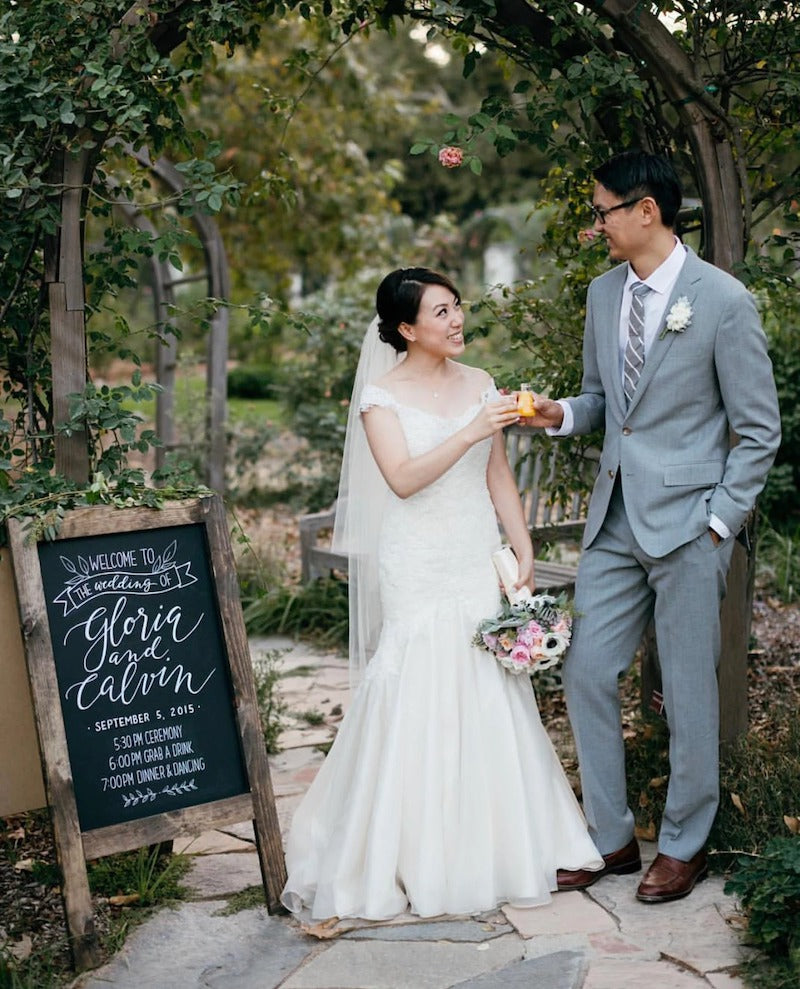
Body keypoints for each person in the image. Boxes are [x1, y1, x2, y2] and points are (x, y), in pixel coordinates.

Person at [280, 266, 603, 922]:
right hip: (419, 560)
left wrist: (524, 546)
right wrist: (470, 430)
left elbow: (499, 476)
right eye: (439, 312)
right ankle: (410, 851)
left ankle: (504, 845)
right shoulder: (380, 397)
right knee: (419, 683)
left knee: (489, 688)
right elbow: (401, 479)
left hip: (473, 551)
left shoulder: (480, 383)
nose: (456, 320)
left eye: (457, 307)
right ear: (406, 329)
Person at [526, 150, 781, 903]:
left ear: (647, 211)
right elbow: (603, 400)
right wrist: (560, 413)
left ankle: (684, 842)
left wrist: (719, 523)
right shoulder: (603, 295)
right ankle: (609, 838)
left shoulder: (724, 301)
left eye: (602, 210)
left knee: (691, 692)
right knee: (585, 672)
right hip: (614, 522)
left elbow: (758, 430)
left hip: (690, 528)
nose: (595, 224)